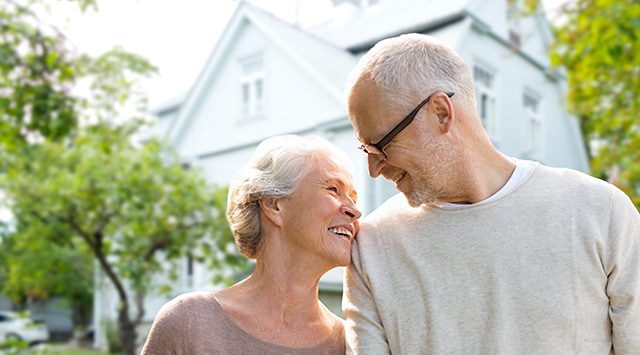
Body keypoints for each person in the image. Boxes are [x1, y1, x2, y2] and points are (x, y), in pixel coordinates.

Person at [342, 33, 640, 354]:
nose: (374, 169)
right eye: (365, 150)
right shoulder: (371, 247)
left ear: (441, 113)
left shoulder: (601, 212)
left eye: (381, 146)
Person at [141, 134, 361, 354]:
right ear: (274, 205)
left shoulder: (348, 344)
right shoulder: (190, 323)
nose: (355, 211)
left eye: (353, 198)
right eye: (333, 189)